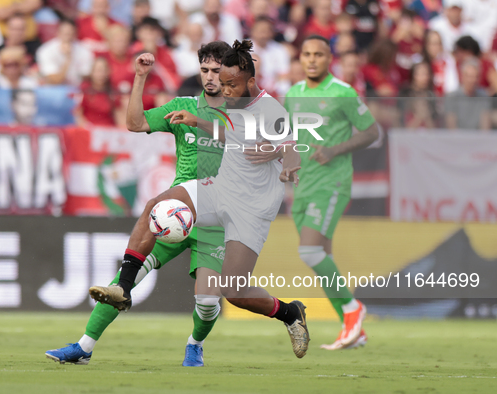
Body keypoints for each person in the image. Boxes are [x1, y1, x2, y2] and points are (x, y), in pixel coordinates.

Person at [88, 40, 309, 360]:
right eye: (222, 81)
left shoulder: (270, 109)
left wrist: (284, 162)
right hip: (218, 188)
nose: (224, 88)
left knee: (234, 292)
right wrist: (198, 122)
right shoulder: (227, 103)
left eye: (230, 83)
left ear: (250, 81)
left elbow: (291, 148)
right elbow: (229, 133)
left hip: (252, 208)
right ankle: (123, 289)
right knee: (156, 206)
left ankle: (289, 313)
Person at [46, 41, 233, 367]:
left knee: (206, 302)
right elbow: (134, 124)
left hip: (217, 215)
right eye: (205, 70)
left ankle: (195, 343)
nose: (210, 77)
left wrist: (199, 122)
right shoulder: (182, 104)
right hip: (178, 209)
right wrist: (139, 78)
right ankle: (84, 347)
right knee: (123, 281)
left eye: (217, 70)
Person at [282, 35, 378, 350]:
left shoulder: (343, 93)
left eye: (318, 55)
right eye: (306, 54)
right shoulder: (293, 94)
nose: (311, 60)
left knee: (310, 252)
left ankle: (352, 309)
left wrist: (336, 149)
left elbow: (371, 131)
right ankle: (354, 332)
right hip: (303, 183)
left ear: (329, 59)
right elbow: (291, 138)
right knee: (322, 258)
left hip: (332, 181)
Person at [36, 18, 94, 86]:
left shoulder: (85, 51)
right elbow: (55, 80)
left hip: (77, 89)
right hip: (54, 90)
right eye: (65, 34)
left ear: (76, 34)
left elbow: (87, 78)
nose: (67, 38)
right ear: (58, 33)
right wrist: (68, 58)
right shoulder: (45, 50)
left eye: (70, 34)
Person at [445, 58, 492, 131]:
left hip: (478, 139)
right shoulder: (452, 97)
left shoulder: (484, 96)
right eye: (469, 76)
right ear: (462, 76)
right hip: (458, 139)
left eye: (475, 76)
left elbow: (485, 125)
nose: (472, 80)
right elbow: (451, 126)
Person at [75, 56, 118, 126]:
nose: (101, 74)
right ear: (92, 72)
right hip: (89, 129)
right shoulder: (84, 89)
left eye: (104, 71)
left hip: (108, 130)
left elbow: (118, 115)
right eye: (98, 70)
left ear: (108, 72)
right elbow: (78, 114)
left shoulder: (113, 92)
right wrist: (88, 127)